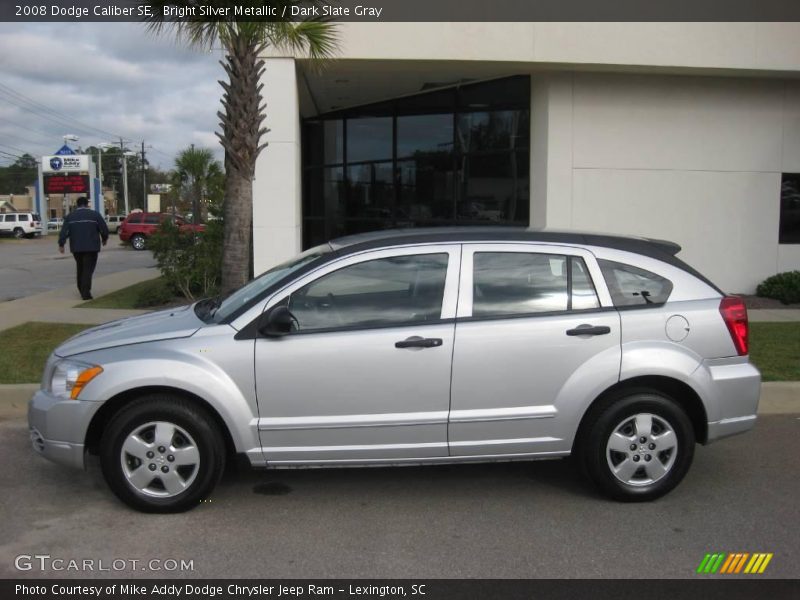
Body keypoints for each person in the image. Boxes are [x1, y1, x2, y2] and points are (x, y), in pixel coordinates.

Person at [58, 196, 109, 300]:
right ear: (87, 204)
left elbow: (64, 232)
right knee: (88, 269)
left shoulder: (70, 216)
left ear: (77, 204)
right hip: (92, 247)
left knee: (80, 267)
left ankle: (81, 289)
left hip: (76, 247)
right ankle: (85, 293)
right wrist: (104, 239)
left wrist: (61, 244)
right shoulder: (95, 215)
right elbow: (104, 229)